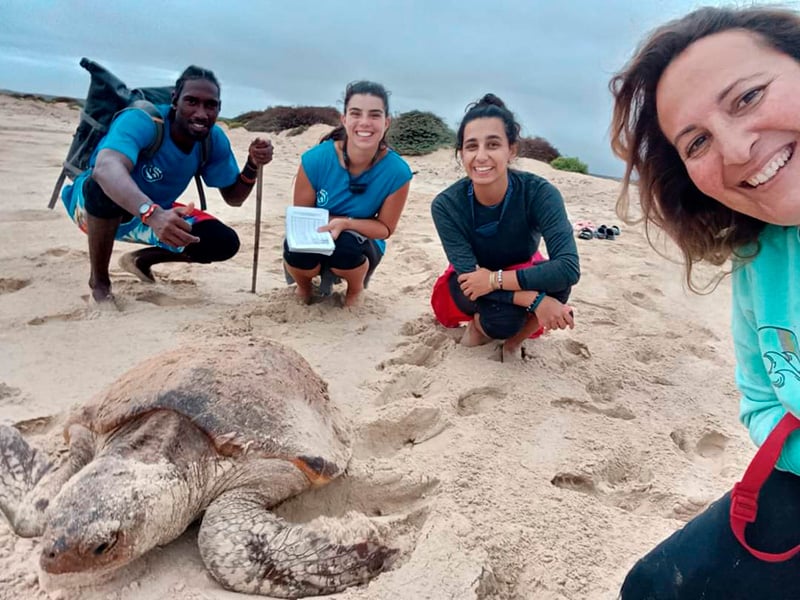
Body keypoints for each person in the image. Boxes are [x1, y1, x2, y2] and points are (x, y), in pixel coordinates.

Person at [610, 6, 800, 598]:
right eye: (697, 142)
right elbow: (763, 398)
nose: (739, 148)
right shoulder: (761, 259)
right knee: (651, 589)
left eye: (748, 97)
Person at [61, 65, 274, 304]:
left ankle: (141, 260)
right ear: (175, 100)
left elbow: (234, 198)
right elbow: (106, 168)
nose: (201, 113)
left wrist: (252, 165)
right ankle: (100, 283)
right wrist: (151, 213)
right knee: (100, 187)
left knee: (224, 242)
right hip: (91, 212)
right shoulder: (142, 120)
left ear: (219, 108)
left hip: (154, 216)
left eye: (210, 105)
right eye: (192, 102)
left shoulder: (212, 140)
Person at [430, 94, 578, 359]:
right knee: (502, 319)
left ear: (512, 150)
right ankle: (479, 327)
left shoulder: (540, 193)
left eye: (493, 144)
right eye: (471, 146)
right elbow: (470, 280)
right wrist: (536, 301)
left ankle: (514, 343)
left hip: (514, 271)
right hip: (470, 281)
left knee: (560, 285)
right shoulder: (446, 205)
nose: (481, 156)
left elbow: (568, 267)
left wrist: (495, 279)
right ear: (461, 153)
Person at [283, 81, 412, 307]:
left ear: (386, 122)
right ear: (344, 119)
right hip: (317, 233)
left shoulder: (397, 171)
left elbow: (385, 229)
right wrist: (330, 224)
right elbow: (302, 219)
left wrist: (346, 223)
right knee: (295, 249)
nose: (364, 123)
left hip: (361, 242)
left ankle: (355, 290)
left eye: (374, 115)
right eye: (356, 113)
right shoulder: (315, 159)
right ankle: (304, 288)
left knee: (346, 246)